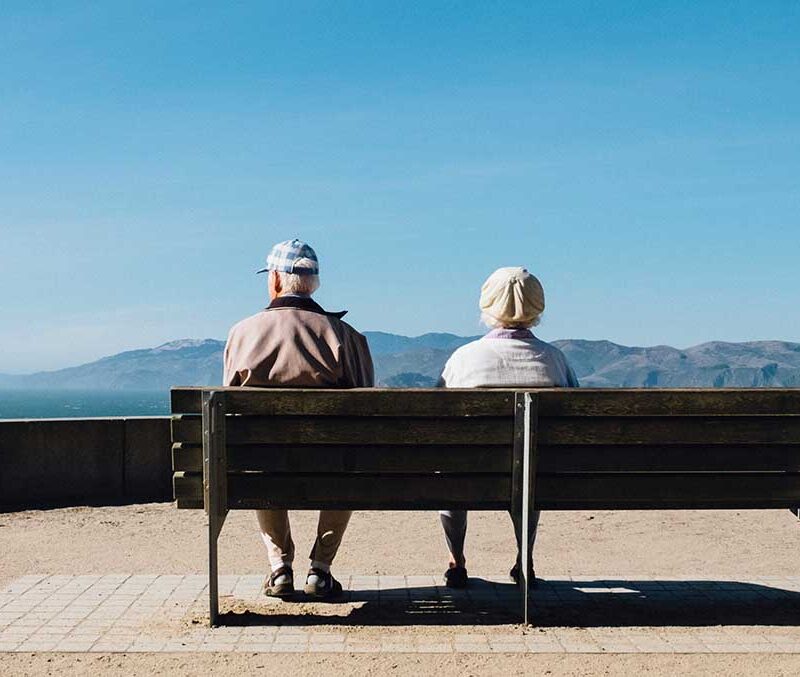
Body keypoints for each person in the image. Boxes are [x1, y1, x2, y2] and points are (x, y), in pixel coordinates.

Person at [224, 238, 374, 599]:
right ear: (313, 284)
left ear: (275, 280)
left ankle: (279, 568)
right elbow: (368, 409)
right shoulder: (345, 337)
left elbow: (228, 412)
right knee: (347, 463)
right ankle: (320, 570)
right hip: (332, 465)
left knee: (257, 460)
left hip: (266, 466)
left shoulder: (242, 333)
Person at [437, 266, 579, 589]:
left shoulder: (464, 360)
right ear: (537, 307)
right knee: (529, 468)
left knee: (450, 473)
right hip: (538, 476)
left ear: (487, 306)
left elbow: (437, 421)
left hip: (470, 475)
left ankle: (457, 561)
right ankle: (523, 558)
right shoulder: (555, 361)